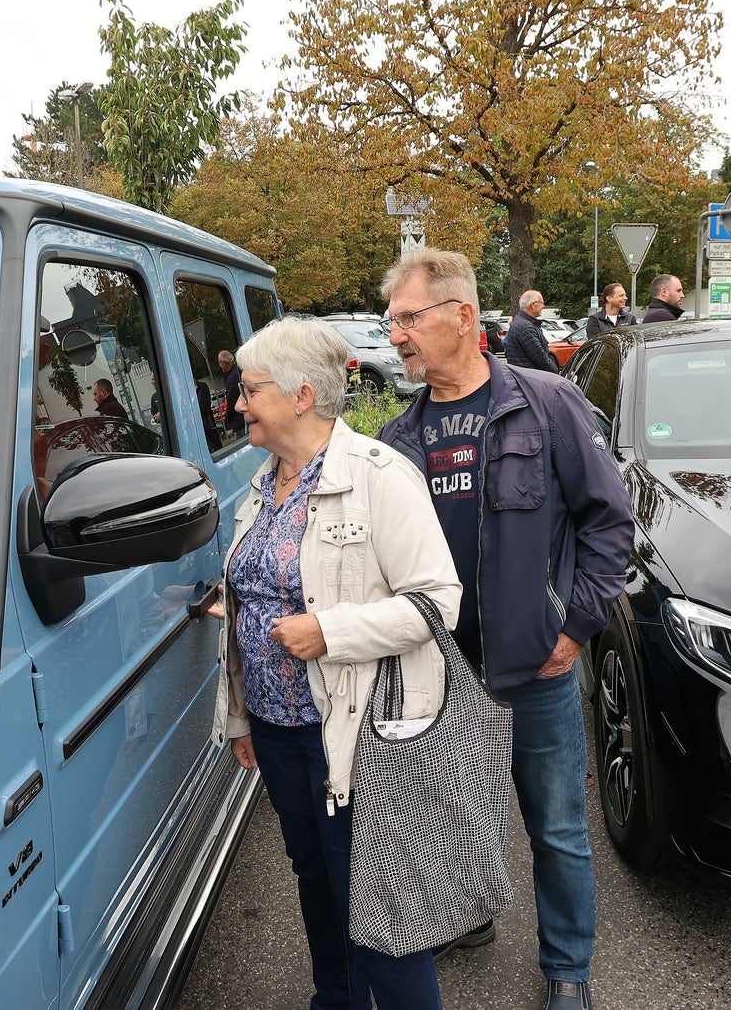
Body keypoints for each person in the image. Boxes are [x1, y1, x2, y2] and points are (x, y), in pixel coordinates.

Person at [378, 248, 636, 1010]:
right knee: (455, 811)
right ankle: (471, 915)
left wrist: (574, 628)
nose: (396, 336)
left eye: (408, 318)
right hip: (444, 676)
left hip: (538, 671)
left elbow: (609, 522)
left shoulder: (547, 403)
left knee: (555, 829)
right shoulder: (400, 438)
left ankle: (567, 969)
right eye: (390, 322)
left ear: (462, 316)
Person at [210, 316, 461, 1010]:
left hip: (355, 732)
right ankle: (337, 1000)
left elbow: (440, 604)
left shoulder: (379, 477)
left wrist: (330, 631)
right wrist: (239, 716)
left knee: (376, 897)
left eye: (249, 390)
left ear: (298, 395)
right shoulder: (264, 484)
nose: (238, 405)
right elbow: (250, 595)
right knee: (316, 879)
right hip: (279, 731)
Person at [502, 289, 559, 373]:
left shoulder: (521, 323)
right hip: (530, 380)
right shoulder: (526, 328)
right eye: (542, 303)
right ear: (533, 305)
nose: (543, 306)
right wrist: (556, 371)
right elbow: (541, 359)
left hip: (524, 377)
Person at [218, 349, 245, 436]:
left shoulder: (232, 379)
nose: (220, 366)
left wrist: (227, 419)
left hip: (239, 421)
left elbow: (231, 401)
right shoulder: (238, 371)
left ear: (223, 363)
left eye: (219, 363)